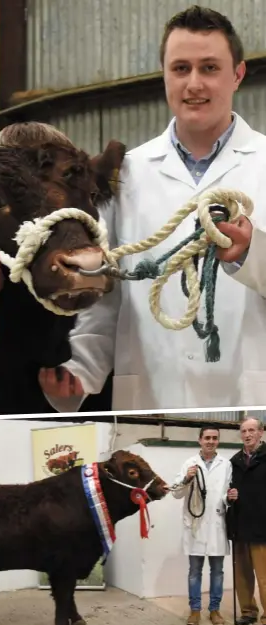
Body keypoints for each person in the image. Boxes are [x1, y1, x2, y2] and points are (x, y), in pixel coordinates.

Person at [39, 6, 266, 412]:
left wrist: (252, 254)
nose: (194, 83)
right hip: (151, 396)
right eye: (181, 68)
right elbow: (105, 294)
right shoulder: (123, 175)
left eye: (210, 67)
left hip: (250, 396)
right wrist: (81, 370)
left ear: (237, 75)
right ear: (164, 74)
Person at [172, 425, 232, 625]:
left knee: (217, 571)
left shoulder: (226, 464)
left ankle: (214, 610)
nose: (211, 441)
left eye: (214, 438)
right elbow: (176, 493)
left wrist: (230, 498)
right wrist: (187, 478)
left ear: (218, 441)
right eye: (207, 437)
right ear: (200, 440)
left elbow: (225, 493)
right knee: (194, 571)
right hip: (195, 524)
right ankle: (195, 610)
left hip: (216, 524)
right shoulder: (189, 463)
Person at [227, 416, 266, 625]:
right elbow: (229, 490)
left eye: (252, 430)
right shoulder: (234, 461)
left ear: (261, 433)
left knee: (264, 578)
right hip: (240, 526)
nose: (248, 435)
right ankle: (248, 611)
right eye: (244, 431)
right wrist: (229, 496)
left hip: (262, 528)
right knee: (242, 576)